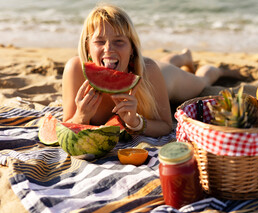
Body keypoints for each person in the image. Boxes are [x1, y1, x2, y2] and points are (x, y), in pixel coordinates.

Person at [62, 4, 240, 137]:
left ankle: (217, 70)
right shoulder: (75, 70)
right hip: (152, 68)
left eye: (119, 41)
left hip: (164, 78)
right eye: (100, 41)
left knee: (201, 82)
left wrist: (136, 122)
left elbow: (165, 125)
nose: (108, 48)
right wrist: (80, 117)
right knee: (164, 62)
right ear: (87, 47)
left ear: (132, 48)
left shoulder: (149, 71)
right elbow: (67, 124)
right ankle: (183, 57)